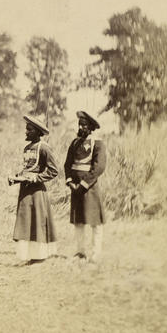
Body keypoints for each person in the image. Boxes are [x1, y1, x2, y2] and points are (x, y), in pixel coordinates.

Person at [8, 115, 59, 264]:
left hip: (36, 192)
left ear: (37, 132)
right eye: (26, 129)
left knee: (37, 221)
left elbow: (53, 171)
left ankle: (40, 255)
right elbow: (28, 168)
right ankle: (30, 255)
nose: (26, 132)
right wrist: (16, 177)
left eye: (29, 129)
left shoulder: (44, 148)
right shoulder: (27, 148)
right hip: (25, 191)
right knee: (26, 221)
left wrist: (36, 178)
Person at [64, 110, 107, 262]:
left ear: (91, 127)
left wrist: (83, 184)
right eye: (79, 125)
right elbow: (67, 164)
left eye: (84, 125)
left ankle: (96, 253)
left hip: (90, 188)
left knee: (95, 221)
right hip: (75, 188)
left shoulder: (98, 143)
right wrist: (70, 182)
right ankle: (80, 251)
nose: (81, 128)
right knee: (78, 221)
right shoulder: (75, 143)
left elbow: (99, 167)